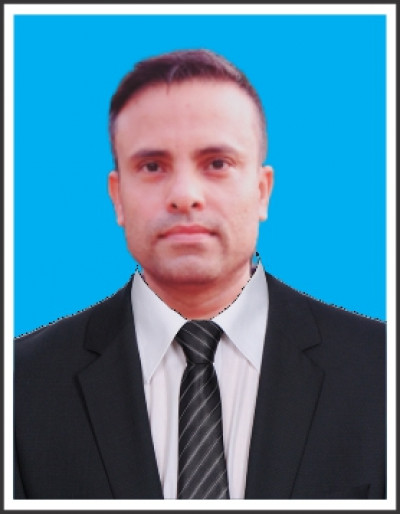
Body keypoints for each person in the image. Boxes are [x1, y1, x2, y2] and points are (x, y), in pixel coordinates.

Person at [14, 49, 386, 500]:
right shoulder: (20, 384)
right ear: (117, 195)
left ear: (262, 190)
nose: (185, 195)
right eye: (153, 166)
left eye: (217, 163)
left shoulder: (380, 369)